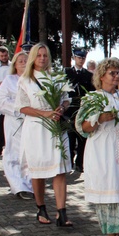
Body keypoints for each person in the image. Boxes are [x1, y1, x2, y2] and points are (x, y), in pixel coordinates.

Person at [76, 57, 119, 236]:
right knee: (110, 190)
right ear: (101, 76)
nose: (117, 76)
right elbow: (82, 127)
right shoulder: (93, 98)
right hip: (103, 150)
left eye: (118, 72)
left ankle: (117, 232)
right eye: (113, 73)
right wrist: (100, 118)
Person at [15, 43, 73, 226]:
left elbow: (66, 100)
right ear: (33, 57)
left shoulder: (55, 77)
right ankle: (41, 208)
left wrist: (60, 109)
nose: (42, 59)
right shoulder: (25, 80)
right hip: (36, 128)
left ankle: (61, 212)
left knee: (60, 169)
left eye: (45, 55)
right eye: (39, 55)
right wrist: (46, 113)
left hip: (55, 127)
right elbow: (22, 107)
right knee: (38, 170)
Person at [0, 51, 33, 199]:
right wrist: (19, 109)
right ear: (15, 64)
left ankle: (29, 184)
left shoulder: (33, 80)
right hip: (14, 121)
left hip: (31, 121)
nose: (23, 63)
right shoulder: (9, 80)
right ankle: (17, 185)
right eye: (20, 61)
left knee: (29, 154)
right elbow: (2, 100)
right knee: (14, 153)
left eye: (25, 60)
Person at [65, 49, 95, 173]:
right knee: (70, 137)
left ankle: (79, 163)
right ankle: (70, 161)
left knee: (82, 138)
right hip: (70, 109)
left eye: (83, 58)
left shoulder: (88, 75)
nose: (81, 60)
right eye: (79, 58)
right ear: (74, 58)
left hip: (82, 109)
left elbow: (91, 91)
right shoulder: (67, 72)